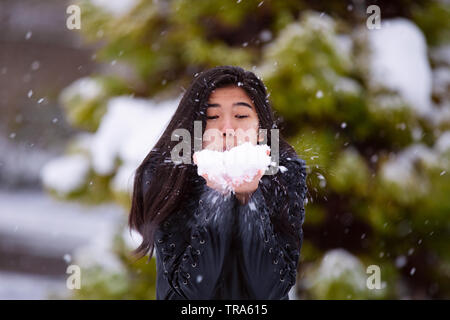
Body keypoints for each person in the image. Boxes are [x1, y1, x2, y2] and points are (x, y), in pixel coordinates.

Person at [128, 65, 308, 299]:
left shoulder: (282, 176)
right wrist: (217, 199)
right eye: (212, 117)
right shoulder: (169, 177)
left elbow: (271, 289)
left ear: (261, 129)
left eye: (241, 116)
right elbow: (190, 295)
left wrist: (249, 202)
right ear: (194, 129)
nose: (228, 129)